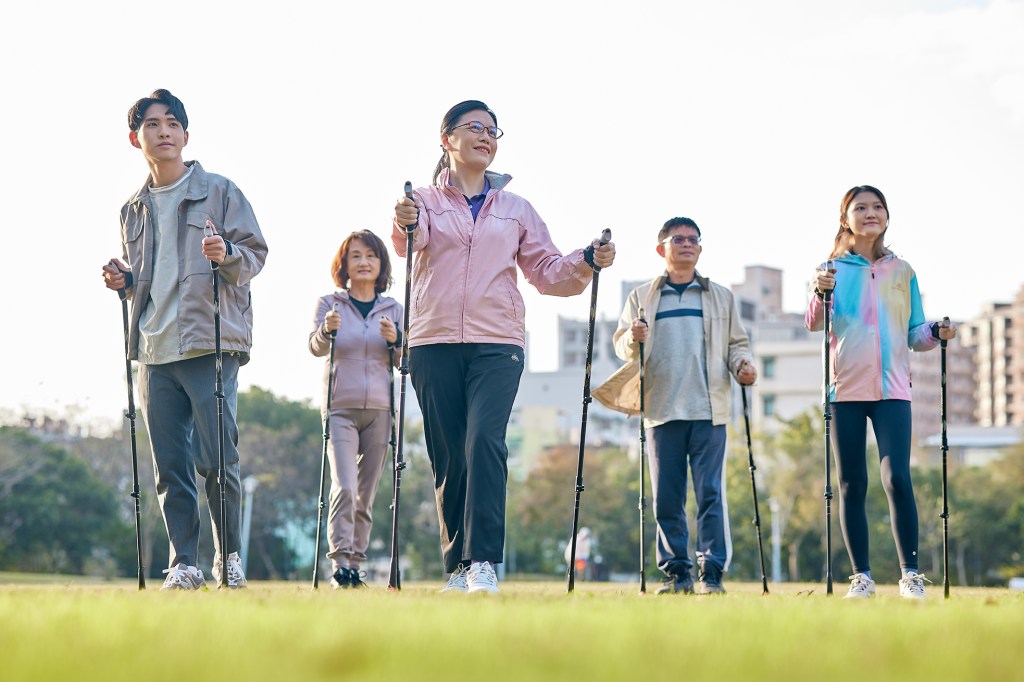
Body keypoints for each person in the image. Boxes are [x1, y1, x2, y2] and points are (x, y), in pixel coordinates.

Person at [393, 100, 616, 593]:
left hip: (498, 342)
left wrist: (586, 259)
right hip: (432, 340)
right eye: (474, 127)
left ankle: (482, 562)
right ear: (447, 138)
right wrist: (404, 218)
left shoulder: (517, 209)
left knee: (484, 442)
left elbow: (549, 273)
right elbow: (410, 241)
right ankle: (457, 567)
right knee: (449, 455)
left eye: (493, 131)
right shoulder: (424, 201)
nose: (485, 136)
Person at [101, 89, 268, 590]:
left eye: (172, 123)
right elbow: (151, 280)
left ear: (186, 135)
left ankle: (228, 557)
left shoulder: (221, 190)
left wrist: (227, 252)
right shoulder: (132, 209)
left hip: (209, 344)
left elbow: (255, 255)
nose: (164, 132)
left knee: (218, 460)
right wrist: (126, 282)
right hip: (153, 348)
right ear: (136, 138)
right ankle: (185, 564)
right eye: (153, 124)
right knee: (170, 467)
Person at [806, 185, 957, 600]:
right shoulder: (830, 270)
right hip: (845, 390)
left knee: (897, 478)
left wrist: (936, 332)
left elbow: (915, 334)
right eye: (861, 208)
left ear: (887, 216)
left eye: (877, 207)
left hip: (893, 390)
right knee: (852, 483)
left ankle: (910, 576)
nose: (870, 213)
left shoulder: (902, 271)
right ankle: (862, 578)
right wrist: (820, 292)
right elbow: (814, 323)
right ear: (845, 219)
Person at [594, 217, 755, 596]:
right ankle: (677, 574)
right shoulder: (641, 297)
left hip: (709, 410)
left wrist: (743, 367)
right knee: (667, 498)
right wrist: (633, 337)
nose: (687, 245)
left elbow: (737, 345)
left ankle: (711, 573)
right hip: (660, 409)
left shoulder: (721, 296)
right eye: (678, 239)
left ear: (700, 248)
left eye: (693, 240)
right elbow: (621, 347)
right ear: (661, 248)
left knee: (710, 494)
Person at [308, 230, 402, 589]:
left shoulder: (394, 310)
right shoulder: (330, 305)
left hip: (380, 410)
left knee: (366, 495)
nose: (364, 262)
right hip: (340, 409)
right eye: (356, 256)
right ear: (344, 265)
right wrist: (326, 331)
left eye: (371, 256)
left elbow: (405, 361)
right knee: (345, 487)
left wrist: (397, 340)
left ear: (381, 264)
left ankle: (355, 564)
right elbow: (315, 347)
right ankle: (339, 564)